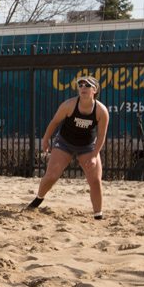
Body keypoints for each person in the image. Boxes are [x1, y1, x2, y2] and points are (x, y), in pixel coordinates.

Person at [25, 76, 110, 219]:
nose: (83, 87)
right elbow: (54, 122)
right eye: (80, 85)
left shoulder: (101, 111)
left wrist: (95, 156)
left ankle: (98, 215)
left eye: (87, 85)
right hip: (65, 142)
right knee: (51, 176)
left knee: (95, 180)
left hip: (87, 146)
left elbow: (101, 136)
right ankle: (38, 198)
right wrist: (45, 140)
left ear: (94, 90)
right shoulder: (69, 105)